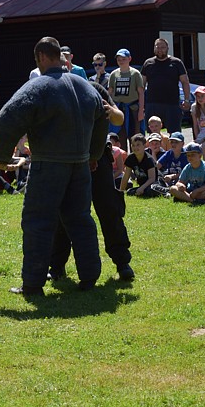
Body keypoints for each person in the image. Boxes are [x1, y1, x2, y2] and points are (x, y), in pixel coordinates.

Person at [0, 36, 108, 296]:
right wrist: (94, 154)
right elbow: (103, 116)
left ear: (42, 57)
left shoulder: (38, 87)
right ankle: (89, 277)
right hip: (80, 165)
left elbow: (9, 116)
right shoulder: (85, 85)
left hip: (48, 165)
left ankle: (33, 283)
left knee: (38, 222)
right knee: (81, 220)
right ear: (61, 58)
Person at [50, 81, 135, 283]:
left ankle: (122, 262)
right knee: (64, 213)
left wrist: (110, 111)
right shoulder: (54, 92)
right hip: (68, 160)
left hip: (99, 157)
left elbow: (119, 118)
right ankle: (57, 266)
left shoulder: (94, 89)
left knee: (109, 209)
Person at [140, 38, 190, 133]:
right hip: (152, 104)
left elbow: (185, 82)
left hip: (172, 104)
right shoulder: (148, 63)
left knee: (175, 135)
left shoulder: (177, 63)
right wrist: (141, 105)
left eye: (163, 47)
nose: (160, 49)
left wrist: (186, 100)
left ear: (167, 48)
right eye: (157, 47)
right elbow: (141, 86)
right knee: (152, 135)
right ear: (154, 48)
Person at [108, 48, 145, 146]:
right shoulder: (113, 74)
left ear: (129, 59)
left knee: (135, 137)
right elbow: (109, 93)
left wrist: (141, 110)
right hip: (118, 109)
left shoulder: (135, 73)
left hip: (133, 109)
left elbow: (141, 93)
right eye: (119, 59)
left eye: (123, 59)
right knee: (119, 137)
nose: (121, 61)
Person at [120, 133, 161, 197]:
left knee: (149, 190)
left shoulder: (149, 159)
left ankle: (165, 192)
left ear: (144, 146)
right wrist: (120, 192)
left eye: (138, 145)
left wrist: (142, 188)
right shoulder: (130, 158)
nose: (135, 147)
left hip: (154, 184)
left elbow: (152, 179)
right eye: (133, 145)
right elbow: (126, 176)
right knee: (129, 192)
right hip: (142, 185)